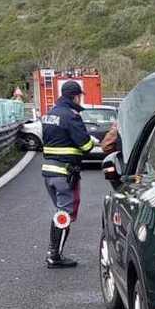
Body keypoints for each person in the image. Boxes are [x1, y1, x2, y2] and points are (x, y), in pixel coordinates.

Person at [40, 80, 97, 268]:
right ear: (75, 96)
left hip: (48, 172)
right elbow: (85, 146)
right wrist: (91, 140)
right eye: (79, 95)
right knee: (64, 215)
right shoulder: (71, 116)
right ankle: (54, 256)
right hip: (65, 173)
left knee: (60, 213)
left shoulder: (50, 113)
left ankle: (53, 253)